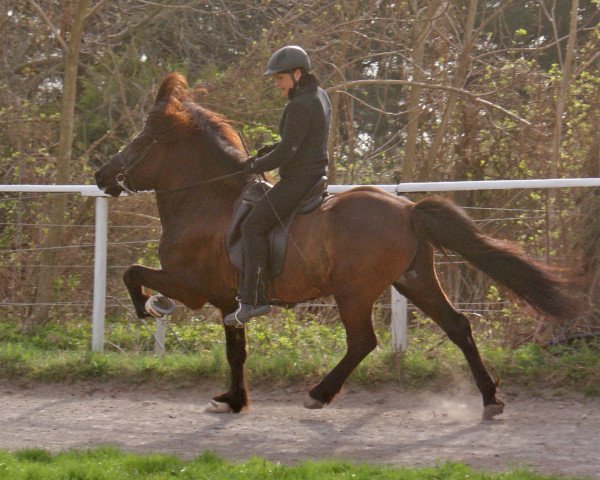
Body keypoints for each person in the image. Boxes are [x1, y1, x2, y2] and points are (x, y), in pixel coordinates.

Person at [224, 45, 332, 326]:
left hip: (299, 180)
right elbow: (297, 142)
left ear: (297, 74)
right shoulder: (318, 97)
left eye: (279, 78)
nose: (277, 84)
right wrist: (266, 151)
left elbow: (288, 153)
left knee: (253, 226)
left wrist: (255, 165)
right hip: (315, 176)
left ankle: (254, 300)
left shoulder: (300, 104)